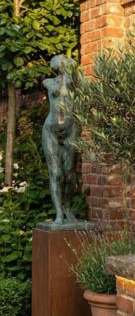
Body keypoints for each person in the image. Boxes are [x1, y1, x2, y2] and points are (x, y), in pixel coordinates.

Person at [42, 54, 80, 224]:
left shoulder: (73, 80)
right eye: (56, 65)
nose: (58, 66)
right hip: (50, 129)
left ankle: (67, 207)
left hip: (71, 128)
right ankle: (59, 214)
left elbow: (75, 82)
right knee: (55, 173)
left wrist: (71, 66)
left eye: (61, 62)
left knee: (70, 173)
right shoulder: (49, 82)